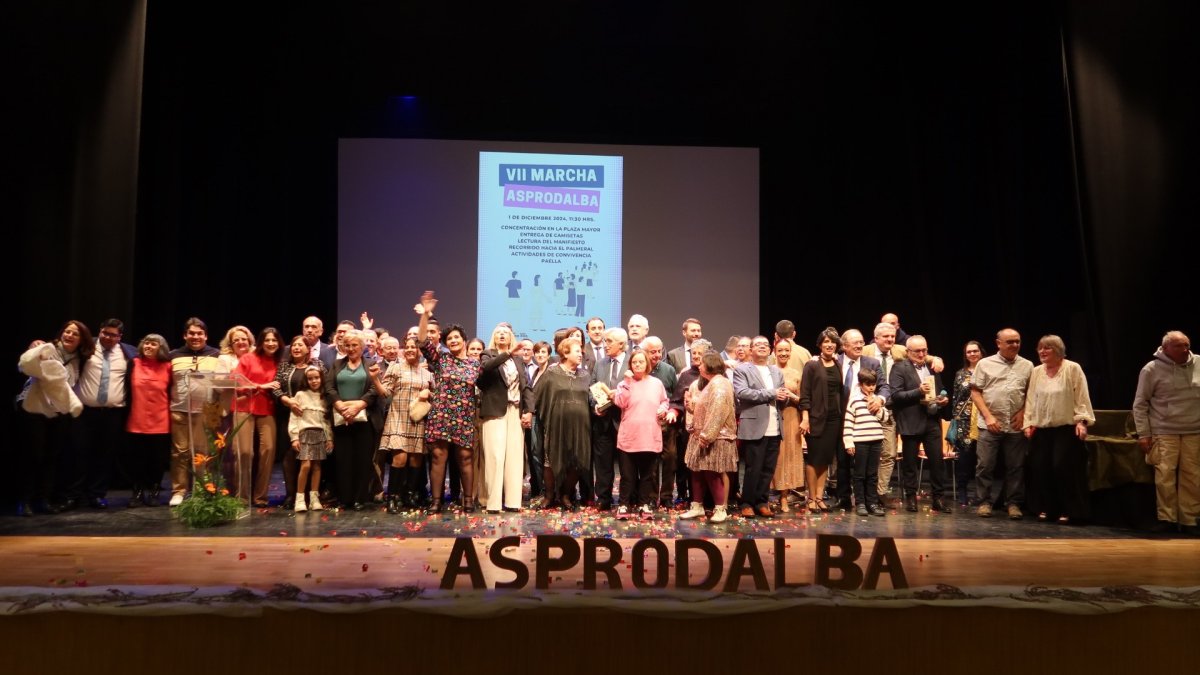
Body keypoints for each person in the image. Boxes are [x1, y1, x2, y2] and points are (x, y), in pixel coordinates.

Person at [16, 320, 92, 516]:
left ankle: (44, 499)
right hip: (35, 408)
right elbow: (23, 366)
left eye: (75, 334)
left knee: (52, 456)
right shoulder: (44, 349)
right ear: (61, 334)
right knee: (34, 455)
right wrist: (35, 349)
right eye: (67, 332)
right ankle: (24, 500)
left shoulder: (80, 359)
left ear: (81, 340)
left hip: (59, 412)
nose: (69, 336)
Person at [414, 291, 481, 513]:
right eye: (449, 338)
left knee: (465, 457)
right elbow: (422, 341)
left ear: (464, 340)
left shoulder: (474, 364)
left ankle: (468, 500)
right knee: (438, 456)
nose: (452, 340)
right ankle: (436, 501)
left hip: (463, 417)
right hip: (441, 415)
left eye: (456, 337)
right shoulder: (441, 359)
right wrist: (425, 314)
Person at [1022, 335, 1095, 524]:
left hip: (1066, 427)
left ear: (1059, 351)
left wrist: (1082, 421)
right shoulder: (1037, 371)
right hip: (1042, 428)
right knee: (1041, 467)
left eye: (1048, 348)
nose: (1042, 352)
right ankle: (1049, 508)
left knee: (1062, 467)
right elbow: (1031, 399)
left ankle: (1070, 509)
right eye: (1040, 348)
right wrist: (1028, 422)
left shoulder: (1072, 368)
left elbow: (1081, 395)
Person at [1132, 331, 1200, 533]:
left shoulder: (1198, 363)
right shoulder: (1151, 369)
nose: (1184, 350)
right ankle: (1167, 518)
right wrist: (1144, 434)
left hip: (1194, 429)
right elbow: (1140, 403)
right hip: (1164, 430)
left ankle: (1190, 520)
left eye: (1186, 345)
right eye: (1179, 346)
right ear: (1166, 348)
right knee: (1165, 475)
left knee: (1193, 476)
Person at [73, 318, 137, 509]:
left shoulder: (129, 352)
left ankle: (97, 494)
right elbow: (61, 350)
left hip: (112, 414)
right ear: (100, 331)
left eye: (113, 335)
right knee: (77, 453)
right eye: (105, 333)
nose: (108, 337)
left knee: (105, 455)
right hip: (83, 412)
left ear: (120, 337)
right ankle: (72, 495)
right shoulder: (85, 346)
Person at [971, 328, 1033, 519]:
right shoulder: (985, 364)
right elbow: (975, 392)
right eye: (1010, 342)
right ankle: (984, 502)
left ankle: (1013, 503)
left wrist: (1023, 413)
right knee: (985, 465)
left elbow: (1031, 393)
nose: (1015, 345)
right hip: (990, 423)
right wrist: (988, 416)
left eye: (1017, 341)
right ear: (999, 343)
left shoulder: (1027, 365)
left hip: (1014, 424)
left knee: (1016, 466)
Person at [889, 335, 952, 513]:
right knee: (910, 464)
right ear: (908, 352)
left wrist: (943, 399)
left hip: (932, 420)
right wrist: (918, 391)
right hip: (911, 421)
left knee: (937, 462)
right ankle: (911, 499)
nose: (922, 353)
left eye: (924, 350)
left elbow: (941, 390)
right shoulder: (899, 368)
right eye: (918, 351)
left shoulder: (932, 368)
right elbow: (896, 396)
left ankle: (938, 499)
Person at [166, 318, 224, 506]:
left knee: (204, 451)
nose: (195, 336)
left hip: (208, 410)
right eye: (191, 333)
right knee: (180, 452)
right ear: (185, 335)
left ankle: (202, 488)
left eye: (199, 333)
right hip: (180, 410)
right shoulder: (173, 355)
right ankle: (179, 491)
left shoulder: (217, 355)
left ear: (206, 336)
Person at [478, 323, 534, 513]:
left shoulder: (518, 361)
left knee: (515, 457)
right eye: (499, 333)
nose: (502, 335)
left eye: (506, 333)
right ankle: (493, 503)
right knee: (495, 455)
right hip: (495, 411)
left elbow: (526, 386)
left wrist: (529, 411)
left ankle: (513, 502)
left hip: (515, 410)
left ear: (511, 337)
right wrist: (509, 353)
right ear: (494, 336)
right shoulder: (488, 354)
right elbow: (487, 368)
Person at [612, 349, 671, 519]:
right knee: (627, 476)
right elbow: (620, 402)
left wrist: (663, 408)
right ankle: (623, 505)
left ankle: (644, 504)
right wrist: (627, 382)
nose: (638, 365)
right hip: (629, 436)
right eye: (634, 362)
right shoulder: (624, 383)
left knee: (647, 475)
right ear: (630, 365)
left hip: (649, 435)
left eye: (641, 362)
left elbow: (664, 401)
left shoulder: (656, 383)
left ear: (647, 364)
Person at [534, 336, 592, 510]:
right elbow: (538, 395)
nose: (581, 354)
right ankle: (550, 495)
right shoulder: (552, 373)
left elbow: (590, 397)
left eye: (581, 351)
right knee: (549, 461)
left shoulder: (585, 375)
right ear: (565, 353)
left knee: (576, 461)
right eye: (577, 351)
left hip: (580, 427)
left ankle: (565, 494)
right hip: (556, 425)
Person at [733, 335, 787, 518]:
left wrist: (784, 397)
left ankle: (762, 501)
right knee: (753, 468)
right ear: (751, 350)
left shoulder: (776, 371)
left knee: (768, 468)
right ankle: (747, 502)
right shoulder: (742, 370)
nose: (763, 347)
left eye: (765, 345)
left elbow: (781, 395)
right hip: (754, 426)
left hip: (775, 425)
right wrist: (772, 393)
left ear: (770, 350)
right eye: (758, 345)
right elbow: (742, 393)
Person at [680, 352, 737, 523]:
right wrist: (692, 407)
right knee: (697, 472)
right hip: (701, 435)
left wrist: (707, 435)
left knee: (713, 473)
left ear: (711, 366)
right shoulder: (711, 383)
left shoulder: (720, 384)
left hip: (715, 437)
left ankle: (720, 509)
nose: (699, 366)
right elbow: (705, 408)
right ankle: (697, 506)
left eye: (703, 364)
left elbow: (718, 412)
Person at [324, 330, 378, 510]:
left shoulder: (370, 364)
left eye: (355, 345)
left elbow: (374, 390)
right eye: (347, 345)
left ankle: (360, 498)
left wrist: (357, 406)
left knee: (363, 460)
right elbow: (329, 387)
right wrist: (340, 406)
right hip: (341, 419)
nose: (351, 348)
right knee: (343, 459)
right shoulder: (337, 364)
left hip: (364, 419)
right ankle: (345, 497)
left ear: (362, 347)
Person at [833, 329, 885, 511]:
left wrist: (880, 400)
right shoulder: (834, 362)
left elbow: (884, 386)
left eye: (861, 342)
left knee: (868, 468)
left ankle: (868, 500)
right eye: (855, 342)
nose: (859, 345)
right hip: (841, 417)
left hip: (866, 419)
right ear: (844, 346)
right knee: (842, 460)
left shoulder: (872, 363)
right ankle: (844, 498)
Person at [231, 327, 282, 506]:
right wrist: (261, 386)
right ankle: (242, 497)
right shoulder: (248, 358)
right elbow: (235, 382)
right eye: (267, 340)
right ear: (260, 342)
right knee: (244, 452)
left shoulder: (280, 361)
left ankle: (260, 496)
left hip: (267, 409)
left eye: (274, 340)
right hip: (244, 407)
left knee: (268, 450)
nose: (270, 344)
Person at [274, 336, 325, 509]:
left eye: (300, 345)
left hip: (315, 423)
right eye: (293, 345)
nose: (296, 348)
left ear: (308, 348)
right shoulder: (284, 366)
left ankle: (314, 496)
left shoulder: (317, 365)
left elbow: (324, 383)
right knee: (291, 457)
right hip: (291, 417)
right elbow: (276, 388)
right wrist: (287, 401)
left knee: (316, 464)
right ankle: (294, 496)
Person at [125, 334, 173, 507]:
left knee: (157, 460)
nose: (149, 346)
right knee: (136, 459)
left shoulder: (168, 366)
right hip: (136, 420)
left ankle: (154, 492)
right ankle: (137, 492)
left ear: (161, 348)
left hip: (161, 420)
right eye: (146, 343)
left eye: (154, 344)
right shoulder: (134, 363)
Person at [799, 327, 844, 513]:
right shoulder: (812, 365)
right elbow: (805, 393)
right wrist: (805, 418)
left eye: (832, 342)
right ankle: (810, 498)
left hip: (834, 419)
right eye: (826, 342)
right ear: (819, 345)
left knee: (825, 460)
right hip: (816, 418)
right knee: (814, 459)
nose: (829, 345)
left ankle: (819, 497)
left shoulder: (837, 364)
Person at [590, 327, 629, 510]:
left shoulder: (633, 362)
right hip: (603, 421)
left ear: (621, 344)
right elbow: (592, 387)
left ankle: (626, 500)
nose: (605, 345)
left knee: (626, 465)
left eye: (609, 341)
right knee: (603, 464)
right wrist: (595, 406)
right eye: (605, 341)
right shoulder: (600, 364)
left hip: (625, 421)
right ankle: (603, 499)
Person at [669, 339, 712, 507]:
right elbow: (676, 400)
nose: (696, 356)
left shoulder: (716, 376)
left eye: (700, 353)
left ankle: (706, 499)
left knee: (707, 463)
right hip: (689, 428)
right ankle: (683, 495)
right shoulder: (686, 375)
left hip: (710, 427)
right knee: (685, 463)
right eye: (693, 353)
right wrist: (675, 410)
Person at [843, 369, 890, 516]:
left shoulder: (877, 400)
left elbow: (885, 418)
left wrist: (877, 408)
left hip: (876, 440)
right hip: (860, 441)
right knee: (860, 474)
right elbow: (849, 422)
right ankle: (860, 503)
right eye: (867, 384)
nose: (871, 388)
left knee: (872, 474)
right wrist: (849, 442)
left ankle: (872, 503)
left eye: (873, 384)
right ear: (861, 384)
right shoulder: (855, 400)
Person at [288, 366, 332, 512]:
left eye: (317, 378)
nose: (314, 381)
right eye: (310, 378)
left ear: (321, 378)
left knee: (317, 466)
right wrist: (294, 437)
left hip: (320, 434)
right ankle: (300, 498)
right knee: (305, 465)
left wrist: (329, 438)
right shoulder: (300, 395)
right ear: (306, 380)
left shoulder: (324, 396)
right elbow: (294, 417)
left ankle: (314, 498)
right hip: (305, 433)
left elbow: (326, 421)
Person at [950, 341, 986, 506]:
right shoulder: (960, 374)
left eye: (975, 351)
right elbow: (955, 399)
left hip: (985, 418)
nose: (972, 354)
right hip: (964, 421)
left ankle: (982, 494)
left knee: (984, 460)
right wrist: (955, 421)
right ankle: (962, 490)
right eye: (969, 352)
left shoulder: (989, 370)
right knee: (964, 458)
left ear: (981, 352)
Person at [771, 339, 805, 513]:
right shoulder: (769, 371)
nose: (783, 353)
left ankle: (784, 497)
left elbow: (803, 400)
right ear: (774, 351)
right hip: (773, 415)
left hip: (791, 416)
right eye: (780, 350)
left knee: (787, 456)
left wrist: (790, 394)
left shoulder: (796, 373)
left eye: (786, 350)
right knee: (774, 456)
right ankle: (768, 495)